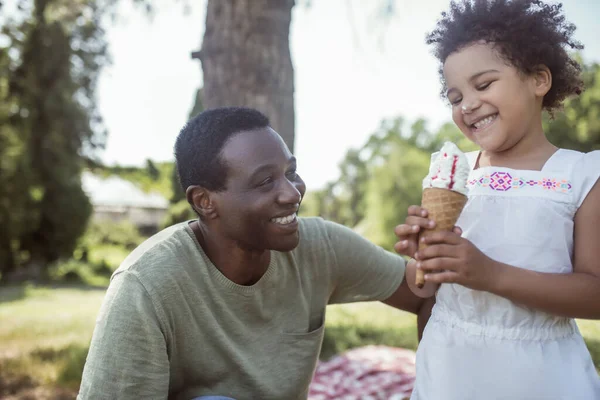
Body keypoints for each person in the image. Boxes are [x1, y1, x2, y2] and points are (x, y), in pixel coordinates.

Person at [78, 107, 430, 400]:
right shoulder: (146, 284)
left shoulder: (320, 247)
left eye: (291, 172)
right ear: (205, 201)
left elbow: (423, 291)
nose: (292, 193)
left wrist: (433, 389)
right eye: (265, 181)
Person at [394, 1, 600, 399]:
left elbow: (595, 294)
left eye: (483, 84)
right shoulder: (451, 172)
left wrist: (491, 275)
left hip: (540, 375)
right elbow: (425, 291)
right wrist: (423, 258)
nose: (467, 104)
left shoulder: (582, 175)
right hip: (450, 366)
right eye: (454, 97)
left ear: (539, 79)